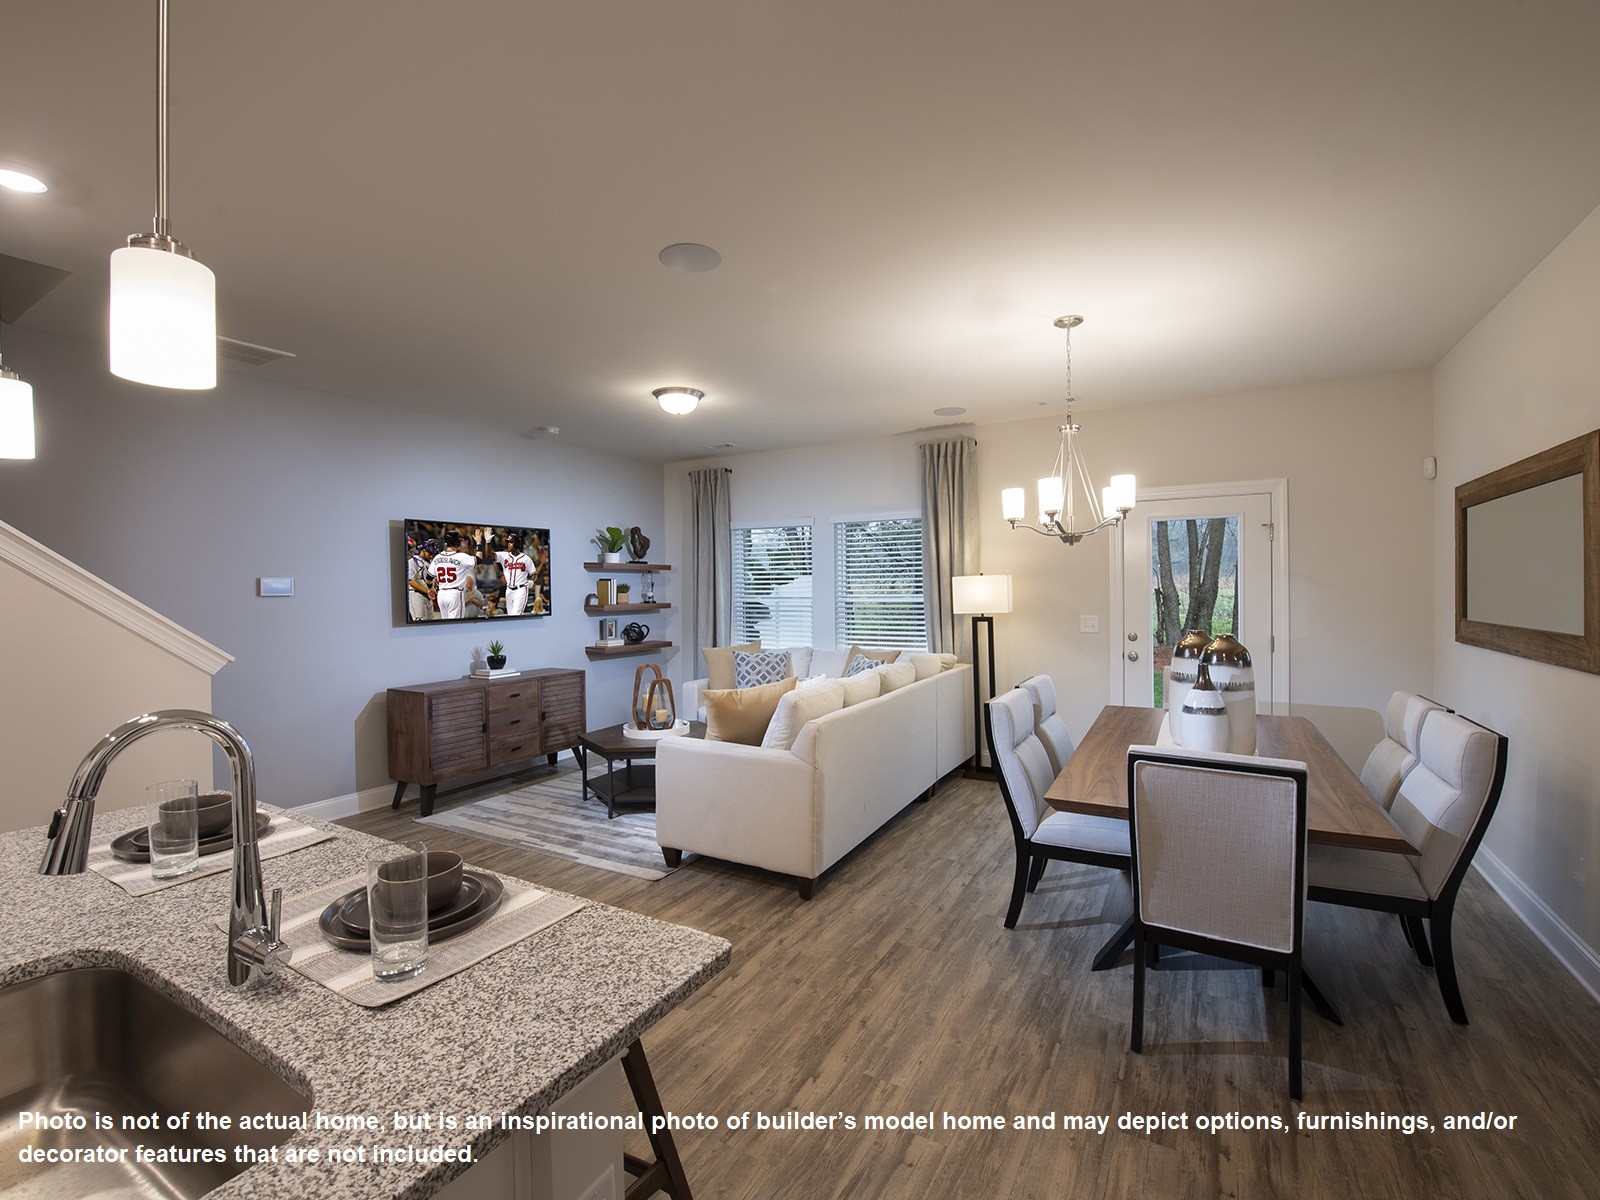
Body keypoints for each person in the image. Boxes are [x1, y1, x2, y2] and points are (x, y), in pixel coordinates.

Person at [426, 531, 479, 620]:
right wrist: (479, 543)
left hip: (441, 594)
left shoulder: (437, 557)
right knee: (457, 626)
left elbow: (429, 578)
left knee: (446, 625)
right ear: (457, 543)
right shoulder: (461, 556)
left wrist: (430, 588)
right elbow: (479, 560)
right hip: (454, 594)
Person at [495, 533, 536, 616]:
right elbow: (489, 556)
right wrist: (488, 542)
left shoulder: (526, 559)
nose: (508, 544)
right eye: (508, 542)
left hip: (520, 589)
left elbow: (533, 573)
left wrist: (531, 581)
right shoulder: (504, 555)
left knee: (516, 616)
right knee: (510, 617)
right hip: (509, 590)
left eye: (511, 542)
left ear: (517, 544)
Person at [406, 538, 436, 622]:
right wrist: (428, 591)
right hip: (416, 595)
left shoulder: (429, 563)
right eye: (430, 553)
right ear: (423, 551)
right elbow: (411, 581)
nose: (431, 556)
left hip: (428, 597)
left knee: (430, 624)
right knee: (420, 622)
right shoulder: (413, 561)